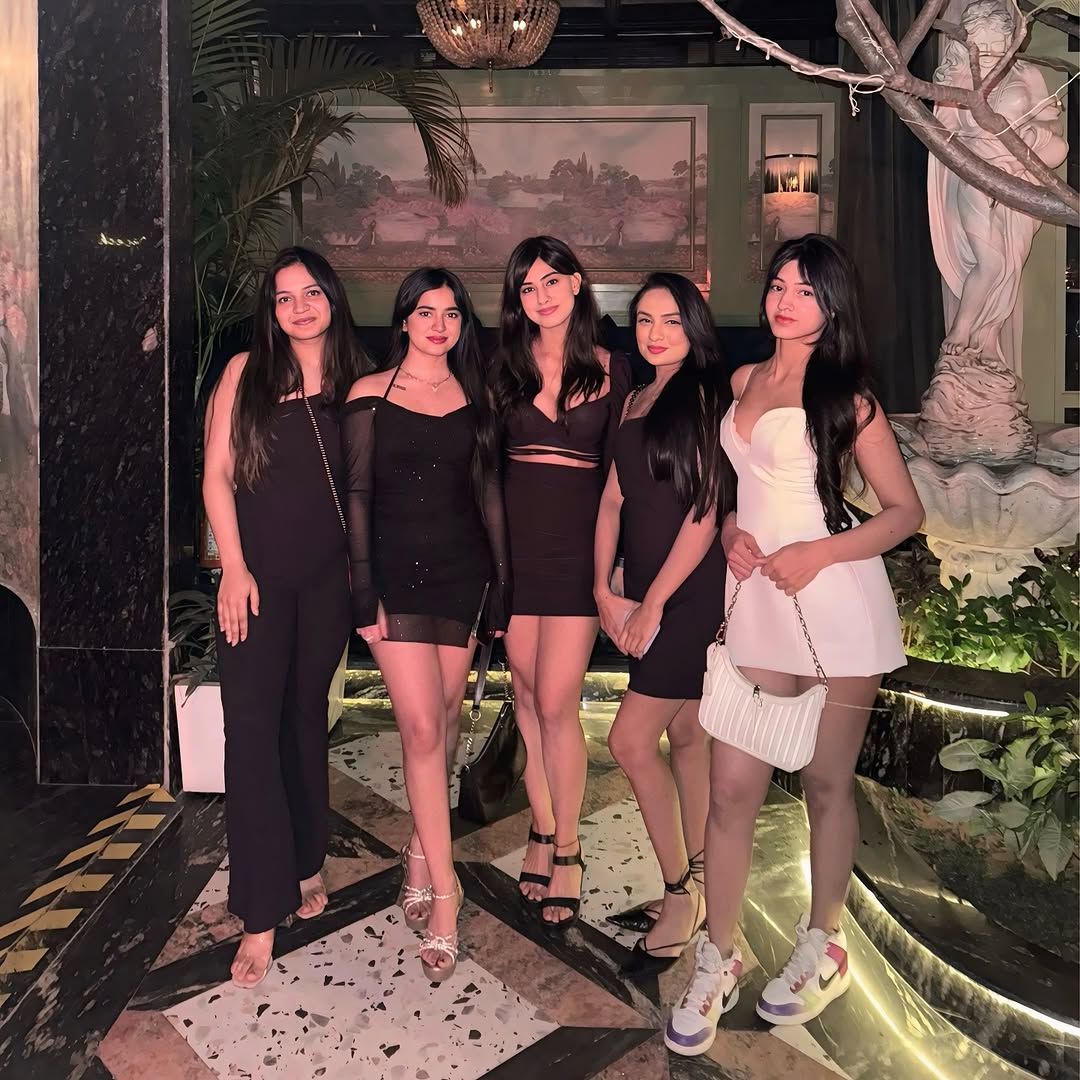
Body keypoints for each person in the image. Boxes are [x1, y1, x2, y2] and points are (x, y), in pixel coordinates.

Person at [665, 235, 923, 1056]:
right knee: (731, 789)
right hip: (757, 606)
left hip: (837, 606)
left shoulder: (848, 397)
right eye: (778, 285)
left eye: (806, 291)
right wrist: (731, 532)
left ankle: (825, 942)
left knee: (823, 783)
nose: (785, 301)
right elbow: (738, 493)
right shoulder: (744, 380)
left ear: (832, 305)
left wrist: (819, 552)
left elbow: (904, 512)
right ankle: (719, 956)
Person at [341, 267, 510, 981]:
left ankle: (419, 848)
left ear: (462, 323)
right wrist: (362, 594)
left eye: (452, 313)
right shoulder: (368, 395)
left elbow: (490, 497)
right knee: (418, 729)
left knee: (440, 721)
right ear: (404, 319)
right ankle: (446, 891)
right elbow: (355, 497)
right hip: (394, 580)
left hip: (460, 577)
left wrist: (501, 587)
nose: (439, 325)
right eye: (426, 312)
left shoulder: (478, 397)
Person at [202, 246, 364, 988]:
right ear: (270, 310)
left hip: (328, 583)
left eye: (310, 293)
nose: (298, 308)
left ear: (332, 297)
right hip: (256, 583)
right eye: (283, 297)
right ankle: (260, 911)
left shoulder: (359, 383)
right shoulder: (246, 372)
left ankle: (305, 859)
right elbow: (217, 477)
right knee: (250, 732)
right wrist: (233, 568)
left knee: (304, 719)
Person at [593, 273, 734, 976]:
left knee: (627, 740)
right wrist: (603, 586)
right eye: (644, 320)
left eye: (671, 320)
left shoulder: (704, 397)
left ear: (694, 326)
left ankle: (680, 895)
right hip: (645, 589)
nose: (654, 333)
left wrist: (651, 604)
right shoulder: (636, 397)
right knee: (686, 738)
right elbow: (613, 500)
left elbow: (705, 513)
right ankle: (704, 885)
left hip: (690, 593)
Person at [491, 236, 631, 929]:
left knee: (555, 701)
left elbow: (624, 478)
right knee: (523, 693)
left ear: (577, 283)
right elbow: (484, 468)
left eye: (552, 281)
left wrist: (617, 567)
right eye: (527, 287)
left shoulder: (614, 368)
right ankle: (542, 829)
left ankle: (570, 848)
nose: (541, 296)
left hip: (578, 556)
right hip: (516, 556)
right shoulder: (503, 367)